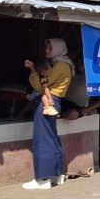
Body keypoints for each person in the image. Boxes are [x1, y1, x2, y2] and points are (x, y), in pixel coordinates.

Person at [23, 38, 75, 190]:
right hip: (54, 101)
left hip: (47, 102)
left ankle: (43, 178)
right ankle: (57, 174)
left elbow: (40, 85)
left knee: (43, 139)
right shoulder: (63, 64)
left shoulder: (60, 65)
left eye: (49, 48)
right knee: (51, 137)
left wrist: (33, 70)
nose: (46, 51)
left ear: (58, 49)